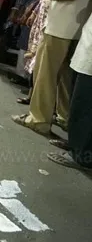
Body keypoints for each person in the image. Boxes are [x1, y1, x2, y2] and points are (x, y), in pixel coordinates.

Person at [12, 0, 92, 135]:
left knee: (45, 73)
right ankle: (65, 117)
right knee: (67, 76)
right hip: (83, 25)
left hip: (61, 23)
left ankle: (38, 119)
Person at [18, 0, 69, 106]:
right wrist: (33, 11)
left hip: (54, 18)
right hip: (41, 13)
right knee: (35, 55)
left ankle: (45, 102)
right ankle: (32, 94)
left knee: (45, 60)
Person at [47, 9, 92, 170]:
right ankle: (75, 143)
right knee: (77, 101)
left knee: (85, 104)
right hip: (87, 46)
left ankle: (82, 156)